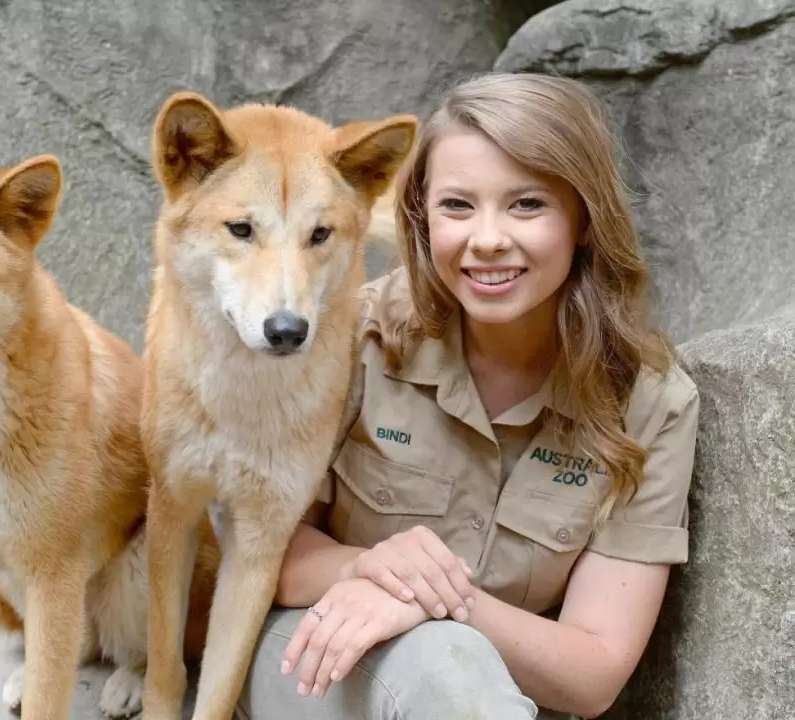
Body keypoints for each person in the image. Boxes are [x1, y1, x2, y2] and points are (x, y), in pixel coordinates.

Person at [233, 72, 700, 720]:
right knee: (444, 664)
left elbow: (595, 672)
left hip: (489, 692)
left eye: (526, 204)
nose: (487, 238)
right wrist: (368, 568)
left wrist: (436, 596)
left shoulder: (651, 403)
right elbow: (259, 551)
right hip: (310, 653)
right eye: (458, 206)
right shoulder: (348, 337)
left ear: (585, 218)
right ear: (422, 218)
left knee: (454, 662)